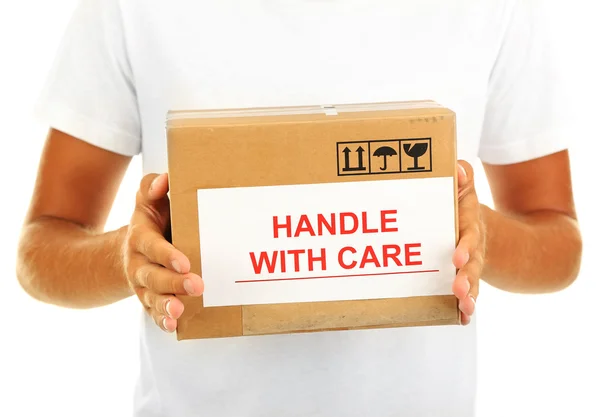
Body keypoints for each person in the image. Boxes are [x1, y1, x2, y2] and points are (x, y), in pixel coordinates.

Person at [16, 1, 582, 416]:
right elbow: (43, 246)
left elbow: (558, 242)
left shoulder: (493, 10)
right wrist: (128, 258)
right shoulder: (131, 11)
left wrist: (474, 233)